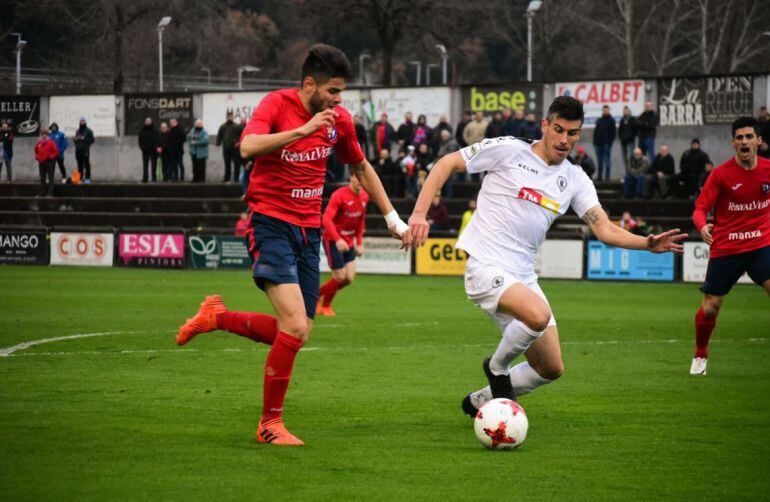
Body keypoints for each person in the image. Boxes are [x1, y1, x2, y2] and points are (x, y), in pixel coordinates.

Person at [175, 44, 409, 446]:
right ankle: (269, 424)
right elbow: (246, 147)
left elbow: (361, 166)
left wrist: (392, 219)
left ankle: (216, 318)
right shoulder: (276, 105)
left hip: (308, 231)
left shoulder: (341, 122)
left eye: (342, 93)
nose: (339, 100)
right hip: (270, 224)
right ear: (309, 85)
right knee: (296, 325)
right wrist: (302, 131)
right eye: (334, 91)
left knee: (296, 331)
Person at [406, 96, 685, 417]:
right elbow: (446, 163)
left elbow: (604, 228)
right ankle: (496, 368)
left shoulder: (576, 178)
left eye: (573, 133)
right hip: (485, 265)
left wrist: (646, 244)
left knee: (550, 367)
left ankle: (481, 400)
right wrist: (418, 214)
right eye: (559, 129)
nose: (565, 139)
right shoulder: (509, 149)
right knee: (537, 316)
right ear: (545, 126)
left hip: (522, 277)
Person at [689, 116, 770, 376]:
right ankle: (701, 354)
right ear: (733, 142)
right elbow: (700, 208)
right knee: (711, 307)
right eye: (740, 137)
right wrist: (702, 226)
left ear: (759, 141)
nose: (744, 141)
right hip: (727, 248)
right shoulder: (721, 174)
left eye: (749, 137)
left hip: (761, 244)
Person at [317, 175, 369, 316]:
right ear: (351, 177)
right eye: (357, 177)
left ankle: (318, 296)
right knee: (339, 276)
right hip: (332, 239)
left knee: (349, 278)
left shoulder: (365, 197)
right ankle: (325, 305)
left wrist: (359, 243)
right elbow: (326, 219)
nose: (360, 181)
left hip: (349, 241)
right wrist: (338, 239)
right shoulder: (339, 195)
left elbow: (360, 221)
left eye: (362, 178)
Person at [593, 105, 616, 181]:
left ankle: (607, 177)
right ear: (602, 110)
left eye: (607, 110)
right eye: (604, 110)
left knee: (607, 160)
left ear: (609, 110)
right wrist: (595, 142)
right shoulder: (599, 120)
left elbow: (613, 133)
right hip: (598, 143)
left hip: (606, 144)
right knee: (599, 161)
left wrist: (609, 143)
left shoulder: (611, 120)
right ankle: (599, 176)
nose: (605, 111)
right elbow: (596, 131)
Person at [216, 112, 241, 182]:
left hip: (235, 148)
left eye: (231, 116)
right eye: (228, 116)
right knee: (227, 163)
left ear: (233, 117)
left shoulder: (237, 126)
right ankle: (227, 178)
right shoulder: (223, 126)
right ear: (226, 117)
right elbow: (219, 135)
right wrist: (218, 142)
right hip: (226, 148)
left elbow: (242, 135)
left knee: (236, 164)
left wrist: (239, 142)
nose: (229, 118)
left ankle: (236, 179)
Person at [35, 130, 59, 197]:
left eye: (45, 134)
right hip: (41, 162)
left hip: (49, 162)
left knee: (50, 178)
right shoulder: (39, 143)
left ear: (48, 135)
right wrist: (37, 157)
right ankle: (42, 193)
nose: (44, 136)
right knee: (42, 178)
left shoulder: (51, 142)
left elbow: (56, 152)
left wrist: (50, 157)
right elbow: (36, 151)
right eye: (42, 134)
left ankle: (50, 193)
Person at [73, 116, 94, 183]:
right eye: (81, 121)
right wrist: (75, 139)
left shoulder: (89, 131)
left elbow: (92, 140)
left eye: (83, 121)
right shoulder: (77, 131)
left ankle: (87, 178)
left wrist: (84, 138)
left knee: (86, 164)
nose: (82, 122)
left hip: (85, 150)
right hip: (78, 151)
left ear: (85, 122)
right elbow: (75, 141)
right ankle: (80, 178)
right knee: (79, 165)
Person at [138, 117, 158, 183]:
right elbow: (140, 140)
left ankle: (154, 178)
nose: (147, 122)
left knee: (154, 164)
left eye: (149, 121)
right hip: (145, 150)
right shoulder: (142, 130)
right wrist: (142, 147)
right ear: (145, 122)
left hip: (153, 150)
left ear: (151, 121)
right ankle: (145, 178)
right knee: (145, 165)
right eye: (146, 121)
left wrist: (156, 147)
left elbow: (157, 139)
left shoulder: (155, 130)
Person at [618, 106, 637, 170]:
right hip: (623, 142)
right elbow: (620, 130)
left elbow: (635, 130)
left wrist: (631, 136)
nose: (625, 112)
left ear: (629, 111)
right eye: (624, 111)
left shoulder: (632, 119)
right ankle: (627, 173)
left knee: (630, 157)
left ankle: (632, 171)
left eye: (626, 110)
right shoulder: (622, 120)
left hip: (630, 141)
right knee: (624, 158)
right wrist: (621, 137)